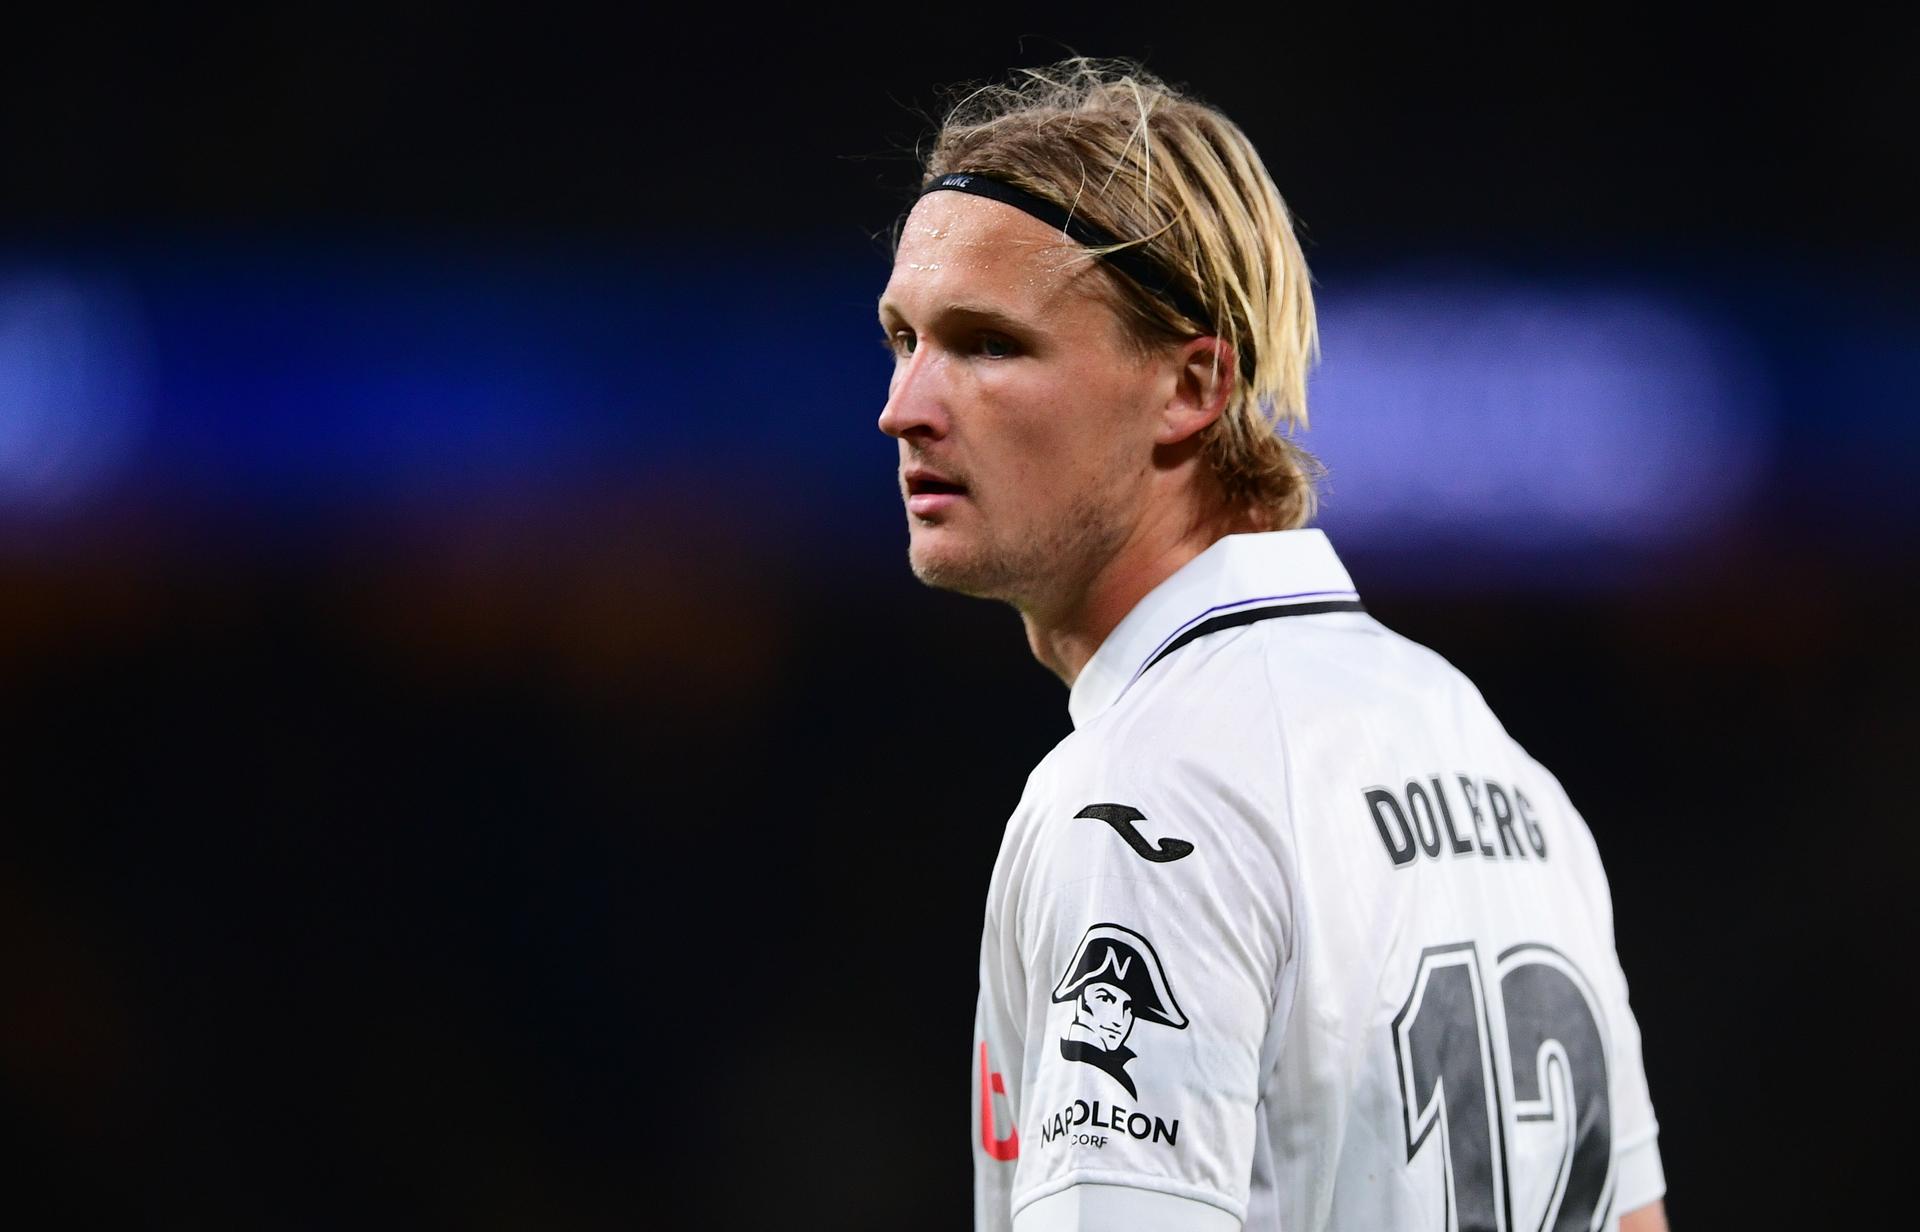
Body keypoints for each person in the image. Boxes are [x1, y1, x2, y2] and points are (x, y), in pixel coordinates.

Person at [875, 59, 1668, 1232]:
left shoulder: (1143, 797)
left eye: (989, 344)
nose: (905, 405)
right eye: (904, 338)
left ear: (1192, 383)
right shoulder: (1487, 754)